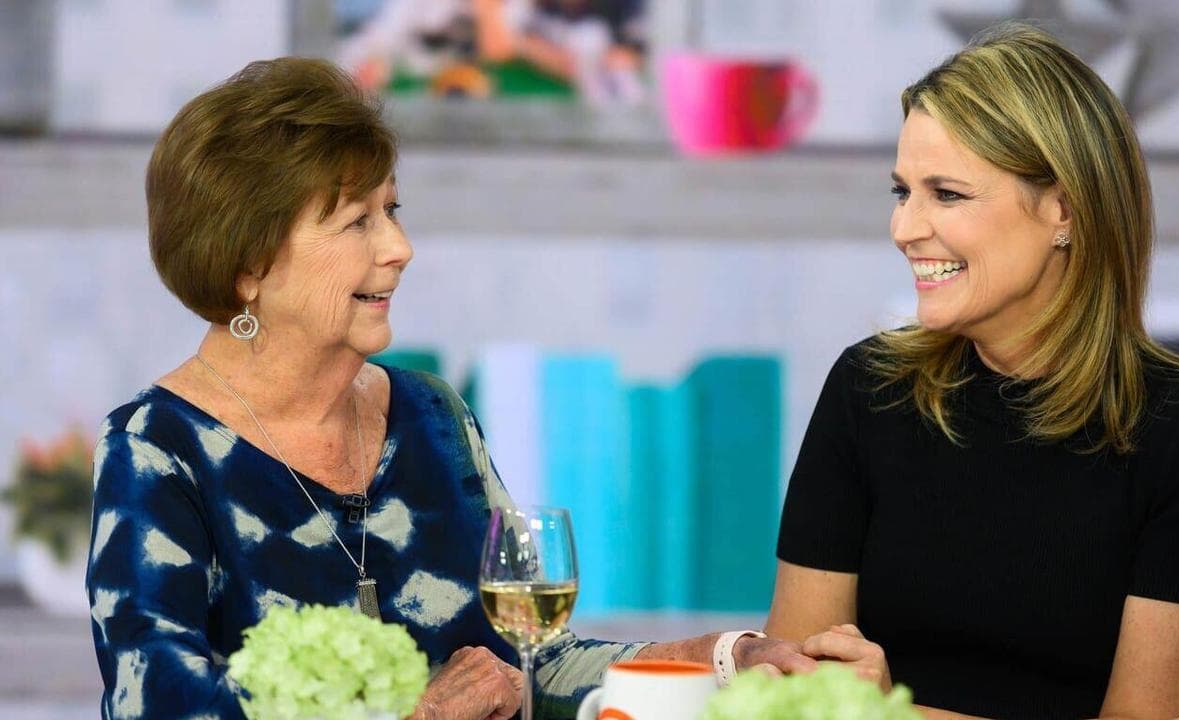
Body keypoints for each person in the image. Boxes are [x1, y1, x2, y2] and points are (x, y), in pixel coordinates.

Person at [85, 57, 807, 720]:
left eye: (391, 210)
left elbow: (533, 663)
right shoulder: (156, 450)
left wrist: (722, 660)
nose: (399, 249)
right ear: (246, 263)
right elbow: (160, 708)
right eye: (354, 222)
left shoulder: (432, 414)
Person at [765, 23, 1179, 720]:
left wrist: (893, 715)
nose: (905, 228)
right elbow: (792, 697)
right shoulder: (867, 389)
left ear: (1062, 207)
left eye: (947, 193)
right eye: (902, 191)